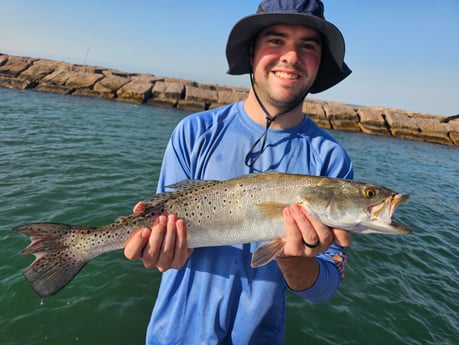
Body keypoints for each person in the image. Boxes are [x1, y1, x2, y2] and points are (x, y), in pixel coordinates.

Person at [125, 0, 353, 344]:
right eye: (276, 41)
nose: (291, 56)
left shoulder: (331, 160)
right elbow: (165, 234)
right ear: (251, 54)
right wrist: (159, 252)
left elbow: (324, 289)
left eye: (307, 46)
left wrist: (293, 261)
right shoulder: (194, 133)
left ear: (320, 63)